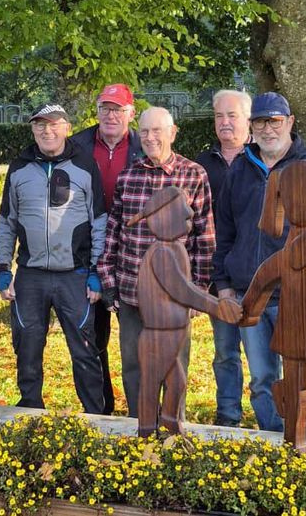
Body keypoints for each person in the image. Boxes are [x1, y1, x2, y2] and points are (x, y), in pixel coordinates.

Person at [211, 92, 306, 437]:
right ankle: (276, 447)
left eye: (275, 121)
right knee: (261, 379)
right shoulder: (239, 170)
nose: (268, 129)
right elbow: (224, 231)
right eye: (260, 122)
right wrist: (224, 283)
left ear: (289, 123)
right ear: (251, 126)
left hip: (298, 297)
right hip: (249, 294)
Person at [96, 107, 214, 418]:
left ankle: (174, 427)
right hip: (133, 291)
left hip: (175, 297)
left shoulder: (194, 175)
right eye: (145, 131)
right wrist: (109, 284)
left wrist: (198, 290)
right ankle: (141, 423)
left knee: (175, 364)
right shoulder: (129, 176)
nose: (150, 138)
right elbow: (113, 233)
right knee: (134, 363)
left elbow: (204, 237)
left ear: (173, 133)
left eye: (157, 131)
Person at [0, 103, 108, 414]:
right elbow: (7, 221)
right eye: (40, 125)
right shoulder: (19, 168)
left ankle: (95, 415)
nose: (47, 131)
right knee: (27, 348)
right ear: (33, 130)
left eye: (53, 124)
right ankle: (30, 410)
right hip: (30, 275)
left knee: (85, 351)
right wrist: (3, 269)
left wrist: (96, 271)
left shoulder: (85, 166)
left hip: (74, 274)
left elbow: (99, 220)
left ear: (66, 127)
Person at [128, 186, 243, 437]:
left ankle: (170, 426)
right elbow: (182, 290)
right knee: (151, 384)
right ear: (163, 217)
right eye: (183, 214)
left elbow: (185, 288)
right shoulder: (160, 252)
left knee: (176, 383)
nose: (189, 216)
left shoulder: (174, 248)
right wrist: (216, 307)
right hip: (159, 333)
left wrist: (214, 304)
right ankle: (147, 431)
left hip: (172, 331)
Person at [71, 83, 142, 415]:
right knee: (93, 337)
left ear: (131, 113)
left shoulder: (146, 145)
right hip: (89, 251)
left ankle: (142, 412)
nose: (110, 115)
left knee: (137, 339)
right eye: (105, 108)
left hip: (133, 254)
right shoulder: (78, 146)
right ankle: (100, 408)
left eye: (118, 109)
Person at [195, 89, 251, 427]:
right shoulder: (201, 165)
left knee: (267, 357)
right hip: (220, 276)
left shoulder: (262, 159)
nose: (225, 122)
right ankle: (228, 414)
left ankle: (273, 416)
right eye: (219, 116)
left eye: (232, 116)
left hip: (261, 274)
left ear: (248, 120)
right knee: (225, 351)